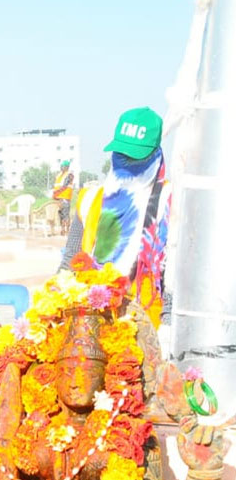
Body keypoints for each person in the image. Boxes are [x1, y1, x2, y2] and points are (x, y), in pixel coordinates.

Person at [60, 106, 169, 324]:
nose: (125, 162)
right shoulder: (90, 199)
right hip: (91, 316)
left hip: (147, 320)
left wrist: (168, 327)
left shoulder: (169, 202)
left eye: (134, 156)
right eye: (121, 154)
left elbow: (176, 281)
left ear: (155, 155)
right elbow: (69, 262)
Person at [52, 158, 74, 233]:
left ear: (67, 167)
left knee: (66, 214)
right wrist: (54, 194)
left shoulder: (69, 175)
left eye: (63, 166)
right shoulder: (59, 175)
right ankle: (62, 229)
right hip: (58, 198)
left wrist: (56, 191)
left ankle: (67, 230)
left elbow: (65, 185)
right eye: (61, 166)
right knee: (60, 214)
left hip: (65, 197)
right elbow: (56, 185)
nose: (61, 168)